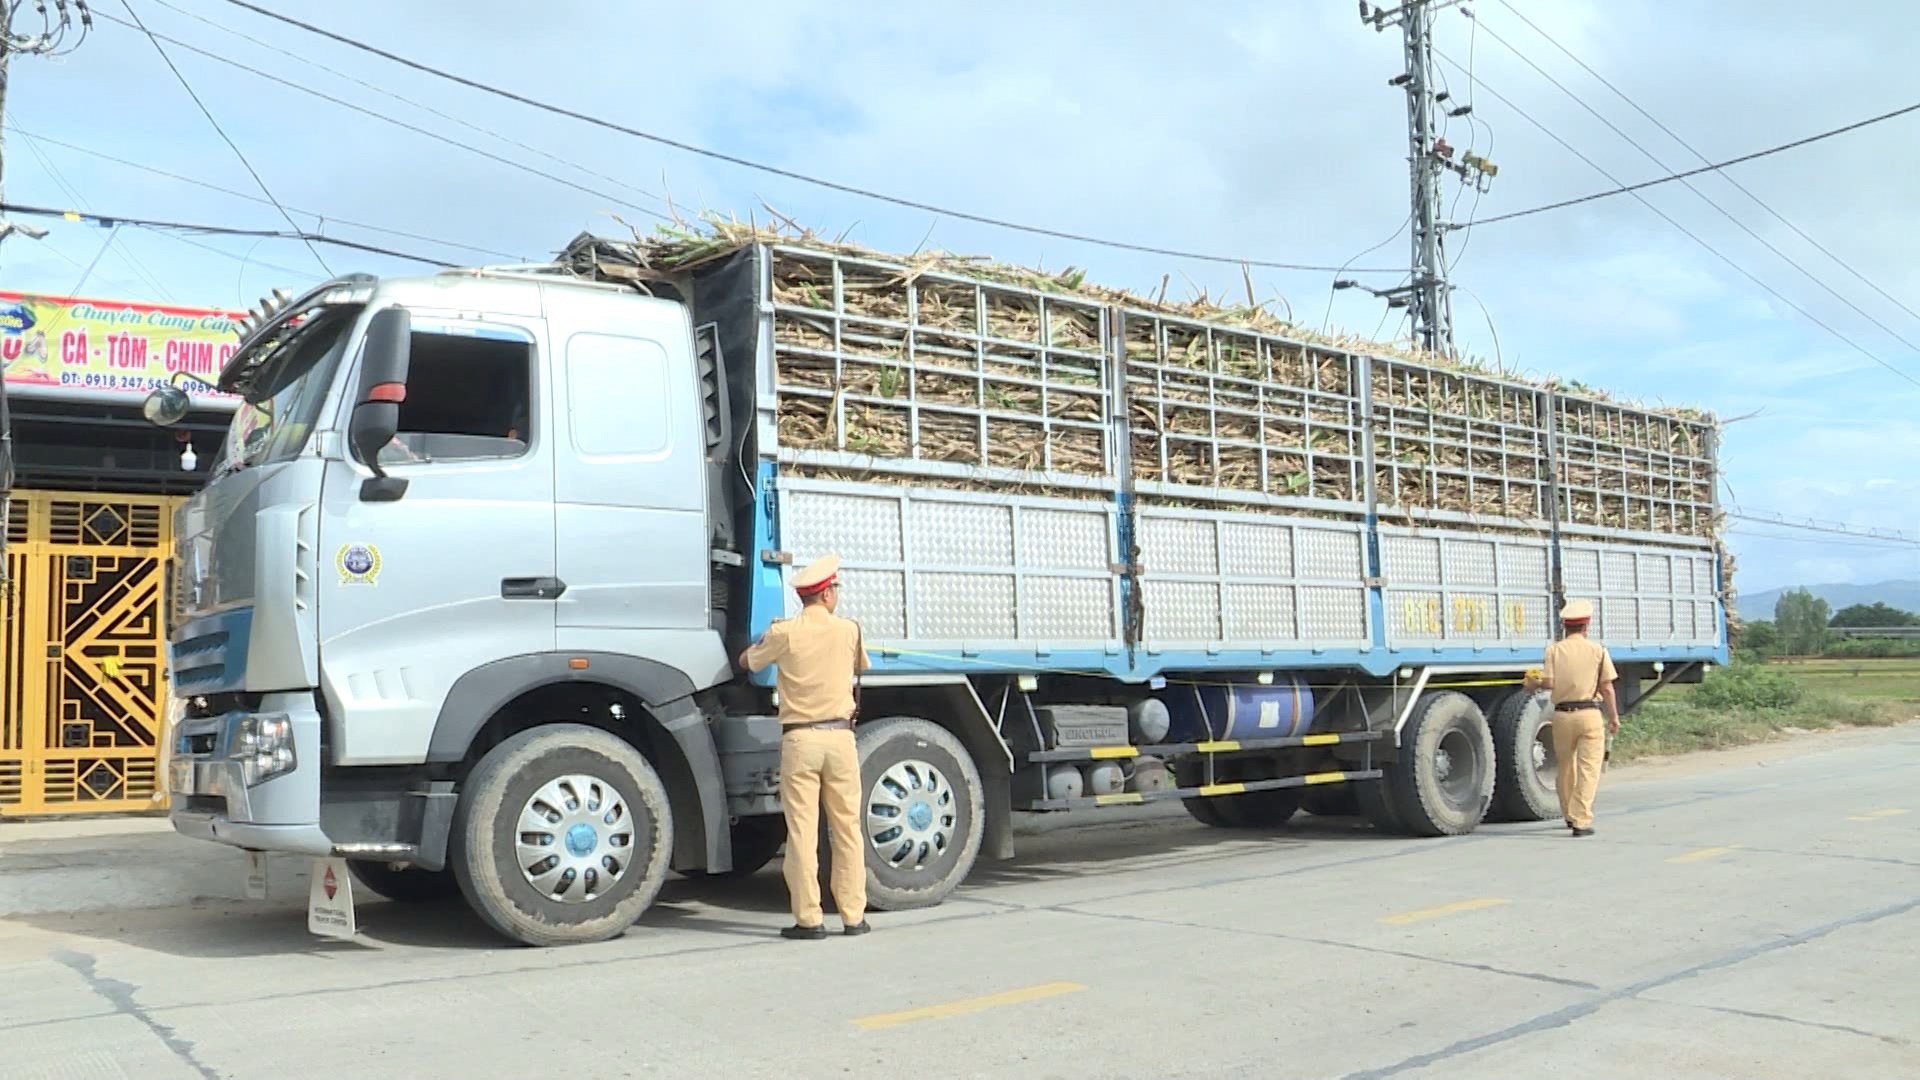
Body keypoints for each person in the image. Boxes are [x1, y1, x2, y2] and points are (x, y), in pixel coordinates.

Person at [737, 554, 872, 939]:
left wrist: (767, 635)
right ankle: (853, 915)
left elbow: (748, 662)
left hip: (801, 740)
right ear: (827, 593)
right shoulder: (850, 630)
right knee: (847, 829)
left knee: (802, 831)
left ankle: (809, 919)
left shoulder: (785, 633)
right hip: (841, 738)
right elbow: (862, 665)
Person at [1524, 599, 1620, 837]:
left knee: (1565, 766)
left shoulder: (1553, 650)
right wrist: (1614, 717)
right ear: (1586, 626)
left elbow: (1548, 684)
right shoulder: (1598, 650)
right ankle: (1581, 819)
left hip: (1562, 716)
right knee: (1588, 768)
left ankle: (1568, 814)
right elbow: (1607, 687)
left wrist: (1532, 683)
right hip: (1589, 714)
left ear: (1565, 626)